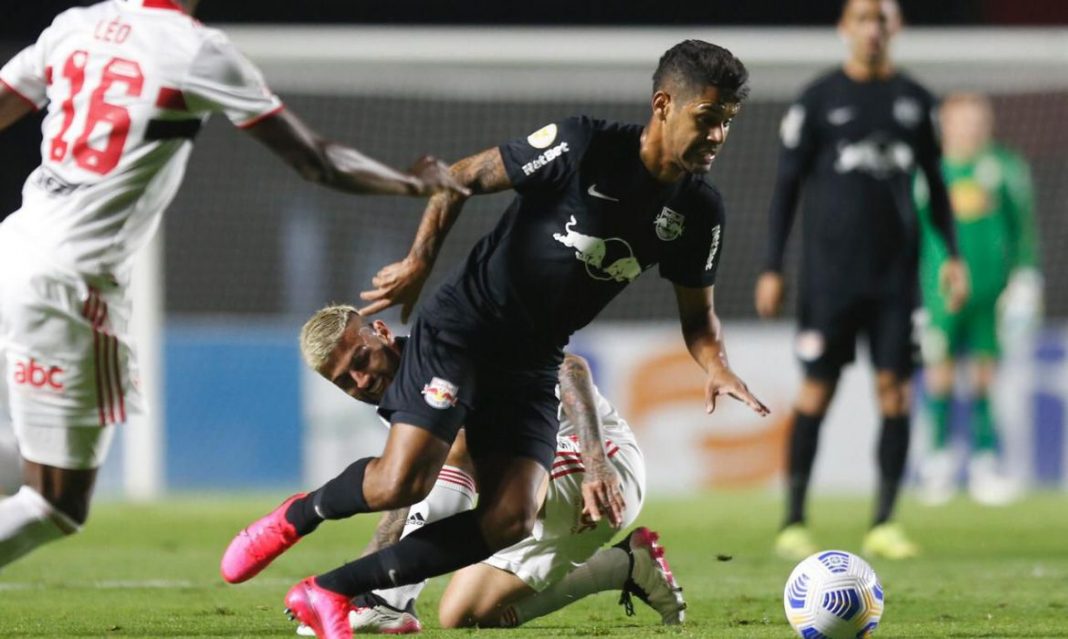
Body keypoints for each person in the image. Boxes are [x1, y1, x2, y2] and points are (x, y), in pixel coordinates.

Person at [221, 39, 767, 639]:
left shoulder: (699, 212)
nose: (718, 135)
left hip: (533, 363)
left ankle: (331, 589)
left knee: (511, 517)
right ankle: (298, 518)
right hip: (467, 327)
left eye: (727, 121)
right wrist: (418, 263)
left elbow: (699, 321)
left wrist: (715, 365)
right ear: (663, 105)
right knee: (403, 481)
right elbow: (459, 177)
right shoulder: (583, 145)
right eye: (707, 118)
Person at [0, 0, 465, 572]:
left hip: (13, 246)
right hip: (69, 279)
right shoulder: (195, 50)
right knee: (53, 503)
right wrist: (411, 183)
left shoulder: (76, 24)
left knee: (40, 456)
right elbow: (317, 161)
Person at [288, 305, 683, 635]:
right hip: (546, 495)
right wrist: (354, 586)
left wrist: (597, 464)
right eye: (344, 382)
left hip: (597, 464)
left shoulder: (447, 348)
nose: (361, 381)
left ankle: (389, 603)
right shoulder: (397, 400)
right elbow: (407, 495)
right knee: (462, 614)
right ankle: (626, 566)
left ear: (381, 332)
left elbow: (571, 368)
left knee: (453, 447)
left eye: (361, 360)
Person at [753, 0, 969, 561]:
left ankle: (885, 522)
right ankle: (793, 521)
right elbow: (786, 188)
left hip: (896, 279)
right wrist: (772, 266)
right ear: (844, 28)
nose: (873, 29)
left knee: (895, 391)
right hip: (829, 279)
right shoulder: (818, 99)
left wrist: (952, 253)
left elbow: (936, 184)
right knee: (816, 390)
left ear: (896, 28)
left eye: (882, 19)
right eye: (863, 19)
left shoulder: (916, 101)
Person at [914, 92, 1040, 506]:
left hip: (992, 291)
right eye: (962, 120)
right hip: (941, 292)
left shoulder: (1005, 167)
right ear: (946, 124)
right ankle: (938, 462)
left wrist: (1026, 277)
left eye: (977, 120)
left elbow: (1022, 227)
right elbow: (913, 230)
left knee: (985, 373)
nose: (971, 128)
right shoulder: (928, 169)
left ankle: (985, 462)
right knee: (941, 372)